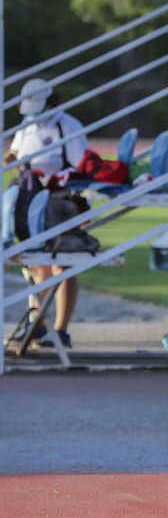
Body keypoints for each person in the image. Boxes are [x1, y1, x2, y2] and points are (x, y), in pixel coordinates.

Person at [4, 78, 88, 347]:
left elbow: (82, 166)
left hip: (60, 202)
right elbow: (15, 152)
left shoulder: (68, 125)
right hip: (30, 203)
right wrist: (13, 161)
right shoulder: (27, 127)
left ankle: (61, 329)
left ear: (52, 102)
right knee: (34, 262)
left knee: (63, 263)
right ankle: (38, 323)